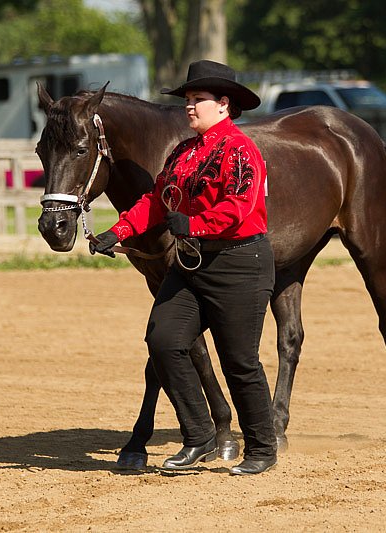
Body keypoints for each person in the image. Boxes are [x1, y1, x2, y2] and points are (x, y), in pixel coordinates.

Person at [90, 60, 277, 475]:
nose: (189, 107)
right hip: (192, 265)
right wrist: (118, 231)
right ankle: (199, 436)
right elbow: (157, 200)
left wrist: (193, 224)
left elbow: (240, 206)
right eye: (188, 100)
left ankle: (262, 449)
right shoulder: (183, 153)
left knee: (239, 361)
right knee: (164, 339)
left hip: (239, 263)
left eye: (198, 100)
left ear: (224, 105)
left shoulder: (241, 150)